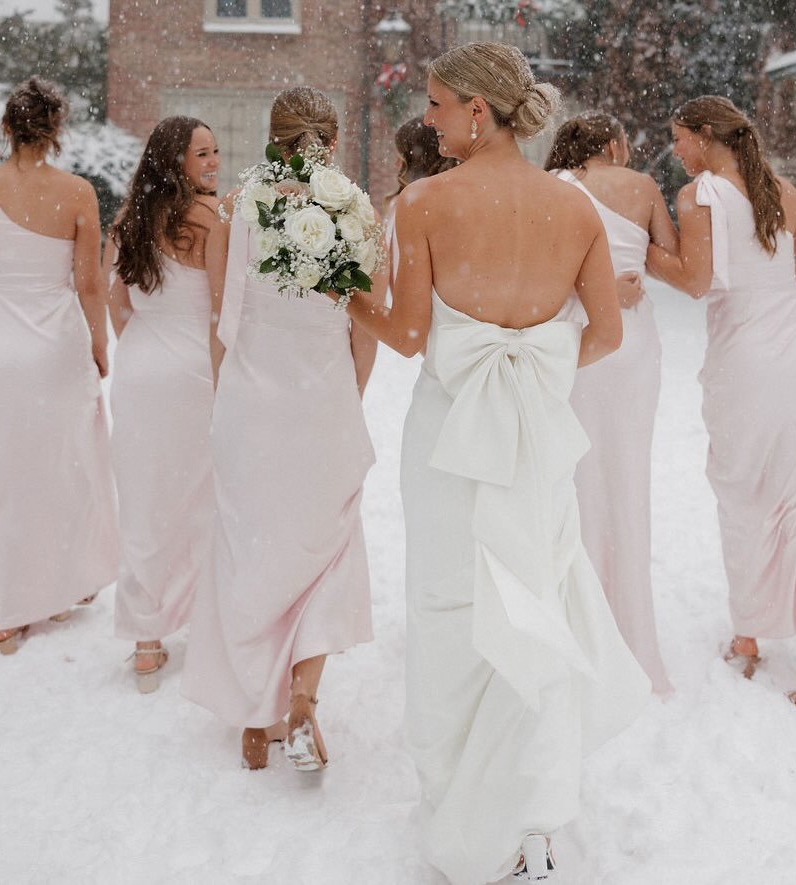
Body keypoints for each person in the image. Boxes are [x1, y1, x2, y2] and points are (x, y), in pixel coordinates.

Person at [347, 44, 649, 885]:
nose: (429, 118)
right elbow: (608, 334)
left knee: (451, 610)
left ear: (480, 109)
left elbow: (409, 335)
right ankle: (530, 816)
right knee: (533, 597)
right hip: (536, 438)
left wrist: (345, 288)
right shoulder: (576, 206)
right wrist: (532, 372)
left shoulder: (425, 203)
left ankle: (464, 809)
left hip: (451, 436)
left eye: (438, 103)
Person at [181, 87, 379, 772]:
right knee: (324, 549)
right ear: (331, 137)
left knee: (251, 549)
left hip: (250, 404)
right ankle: (303, 695)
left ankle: (254, 716)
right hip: (320, 400)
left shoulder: (236, 209)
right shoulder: (352, 208)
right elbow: (365, 327)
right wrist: (347, 397)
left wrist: (220, 407)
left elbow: (221, 319)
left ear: (273, 135)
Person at [649, 96, 796, 715]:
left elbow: (696, 280)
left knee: (742, 499)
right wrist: (769, 299)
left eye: (680, 139)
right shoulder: (781, 189)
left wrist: (636, 248)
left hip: (746, 368)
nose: (677, 152)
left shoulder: (699, 196)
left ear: (707, 137)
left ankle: (749, 633)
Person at [0, 77, 118, 653]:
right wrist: (100, 345)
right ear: (56, 131)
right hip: (57, 349)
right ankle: (62, 582)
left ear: (6, 126)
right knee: (65, 463)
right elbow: (89, 283)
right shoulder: (77, 193)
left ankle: (3, 610)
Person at [545, 111, 676, 695]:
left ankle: (580, 620)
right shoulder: (643, 187)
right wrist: (625, 263)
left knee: (576, 480)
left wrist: (589, 286)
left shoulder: (555, 190)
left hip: (581, 341)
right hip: (631, 346)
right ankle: (629, 631)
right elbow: (671, 263)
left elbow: (542, 273)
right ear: (615, 144)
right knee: (629, 479)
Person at [104, 117, 221, 692]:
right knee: (201, 502)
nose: (214, 162)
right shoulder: (210, 221)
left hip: (140, 371)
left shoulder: (127, 223)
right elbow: (225, 313)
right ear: (175, 160)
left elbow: (117, 305)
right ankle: (203, 621)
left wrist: (141, 349)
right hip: (195, 372)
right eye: (203, 153)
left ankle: (146, 641)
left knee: (145, 504)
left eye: (216, 151)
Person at [385, 116, 456, 282]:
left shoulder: (416, 207)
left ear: (417, 160)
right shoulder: (400, 203)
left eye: (400, 156)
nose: (396, 164)